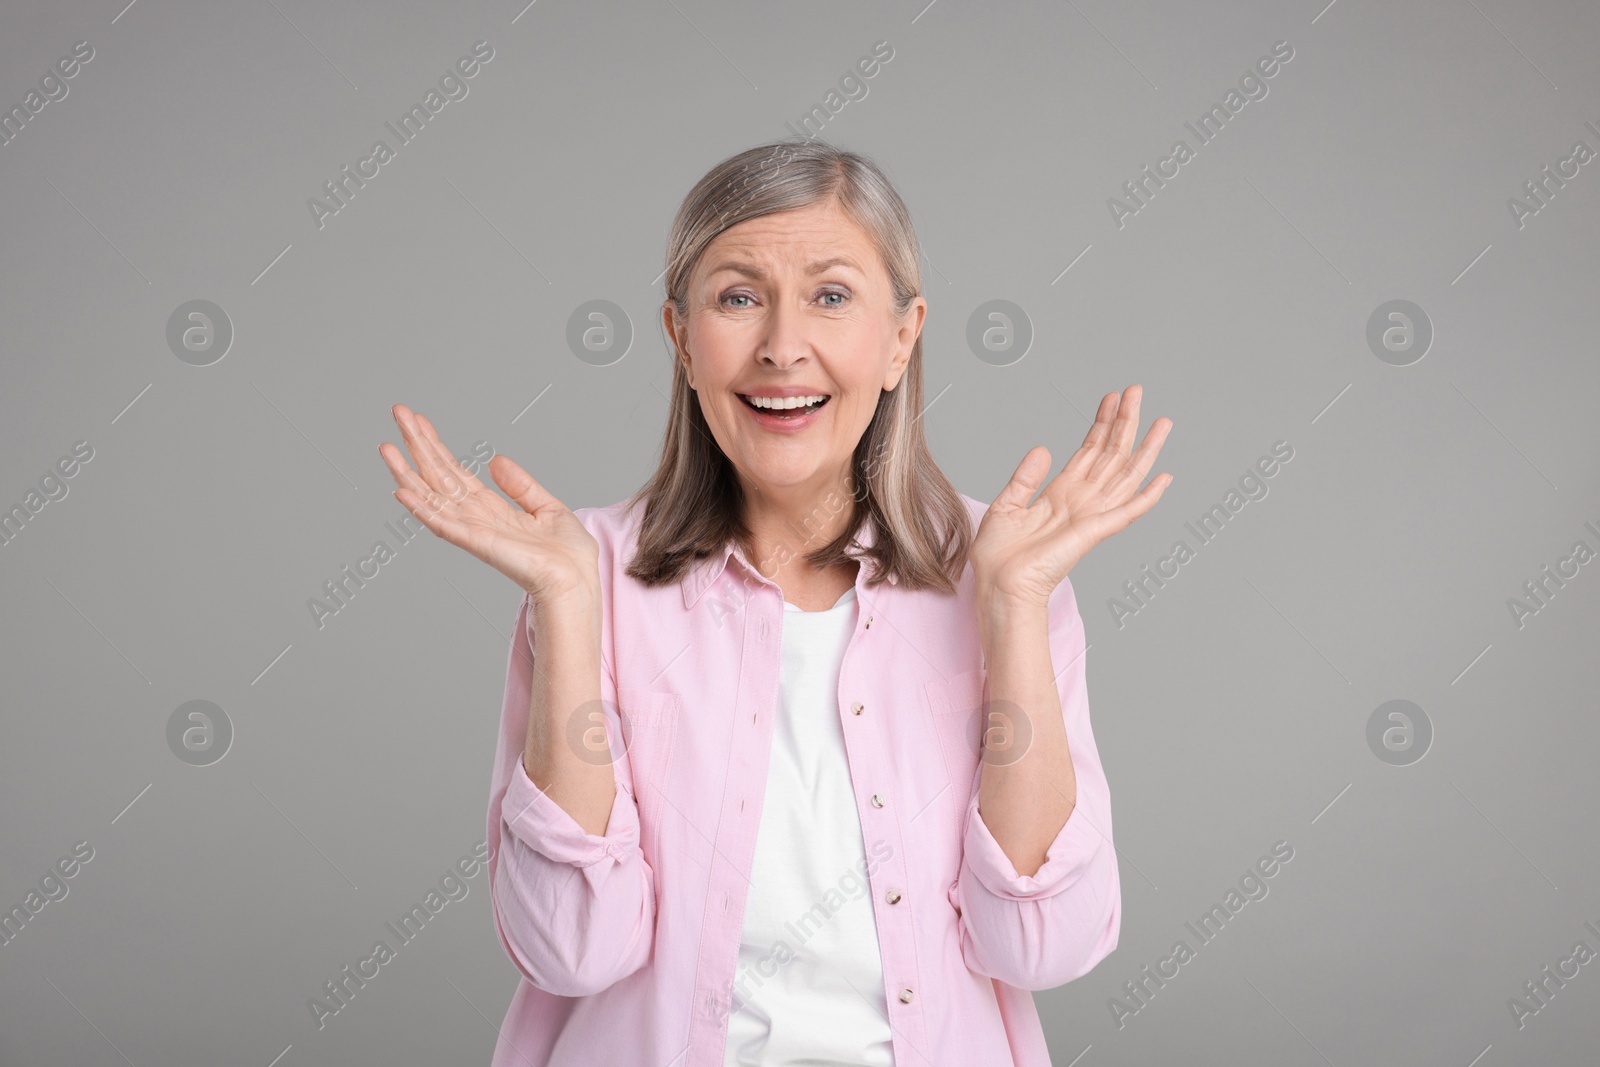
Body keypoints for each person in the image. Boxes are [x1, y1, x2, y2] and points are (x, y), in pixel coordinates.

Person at [379, 139, 1172, 1067]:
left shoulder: (1005, 572)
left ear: (903, 337)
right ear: (680, 336)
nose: (782, 346)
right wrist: (564, 598)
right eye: (738, 297)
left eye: (831, 296)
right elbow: (573, 949)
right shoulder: (585, 574)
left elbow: (1045, 943)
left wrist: (1015, 606)